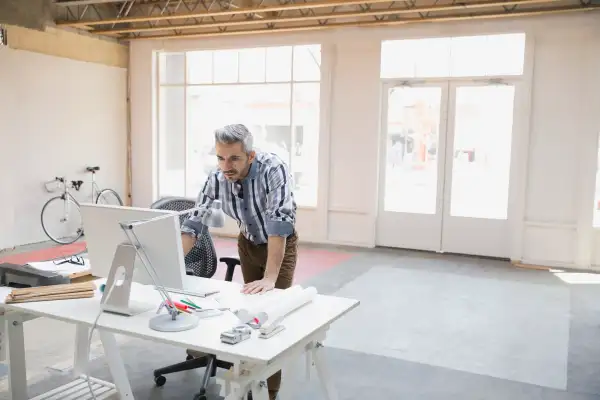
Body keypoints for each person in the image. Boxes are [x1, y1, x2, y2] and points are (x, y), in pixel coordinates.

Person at [180, 123, 298, 400]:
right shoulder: (216, 178)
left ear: (251, 155)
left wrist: (270, 278)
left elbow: (278, 225)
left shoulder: (273, 169)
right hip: (247, 242)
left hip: (279, 243)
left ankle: (269, 391)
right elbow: (193, 225)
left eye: (234, 158)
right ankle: (247, 378)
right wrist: (170, 263)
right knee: (250, 311)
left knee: (270, 315)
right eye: (221, 157)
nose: (226, 165)